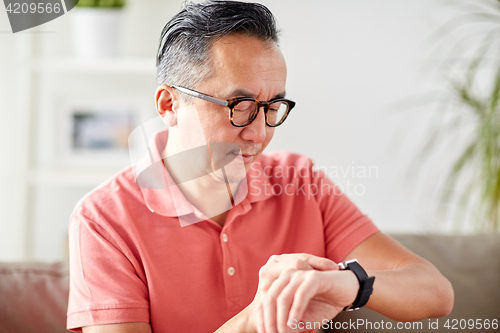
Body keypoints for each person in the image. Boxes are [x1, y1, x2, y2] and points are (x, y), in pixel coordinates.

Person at [66, 1, 454, 332]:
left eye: (272, 108)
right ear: (169, 104)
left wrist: (350, 283)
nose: (260, 133)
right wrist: (255, 318)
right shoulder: (102, 220)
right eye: (240, 106)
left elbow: (435, 291)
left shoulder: (301, 181)